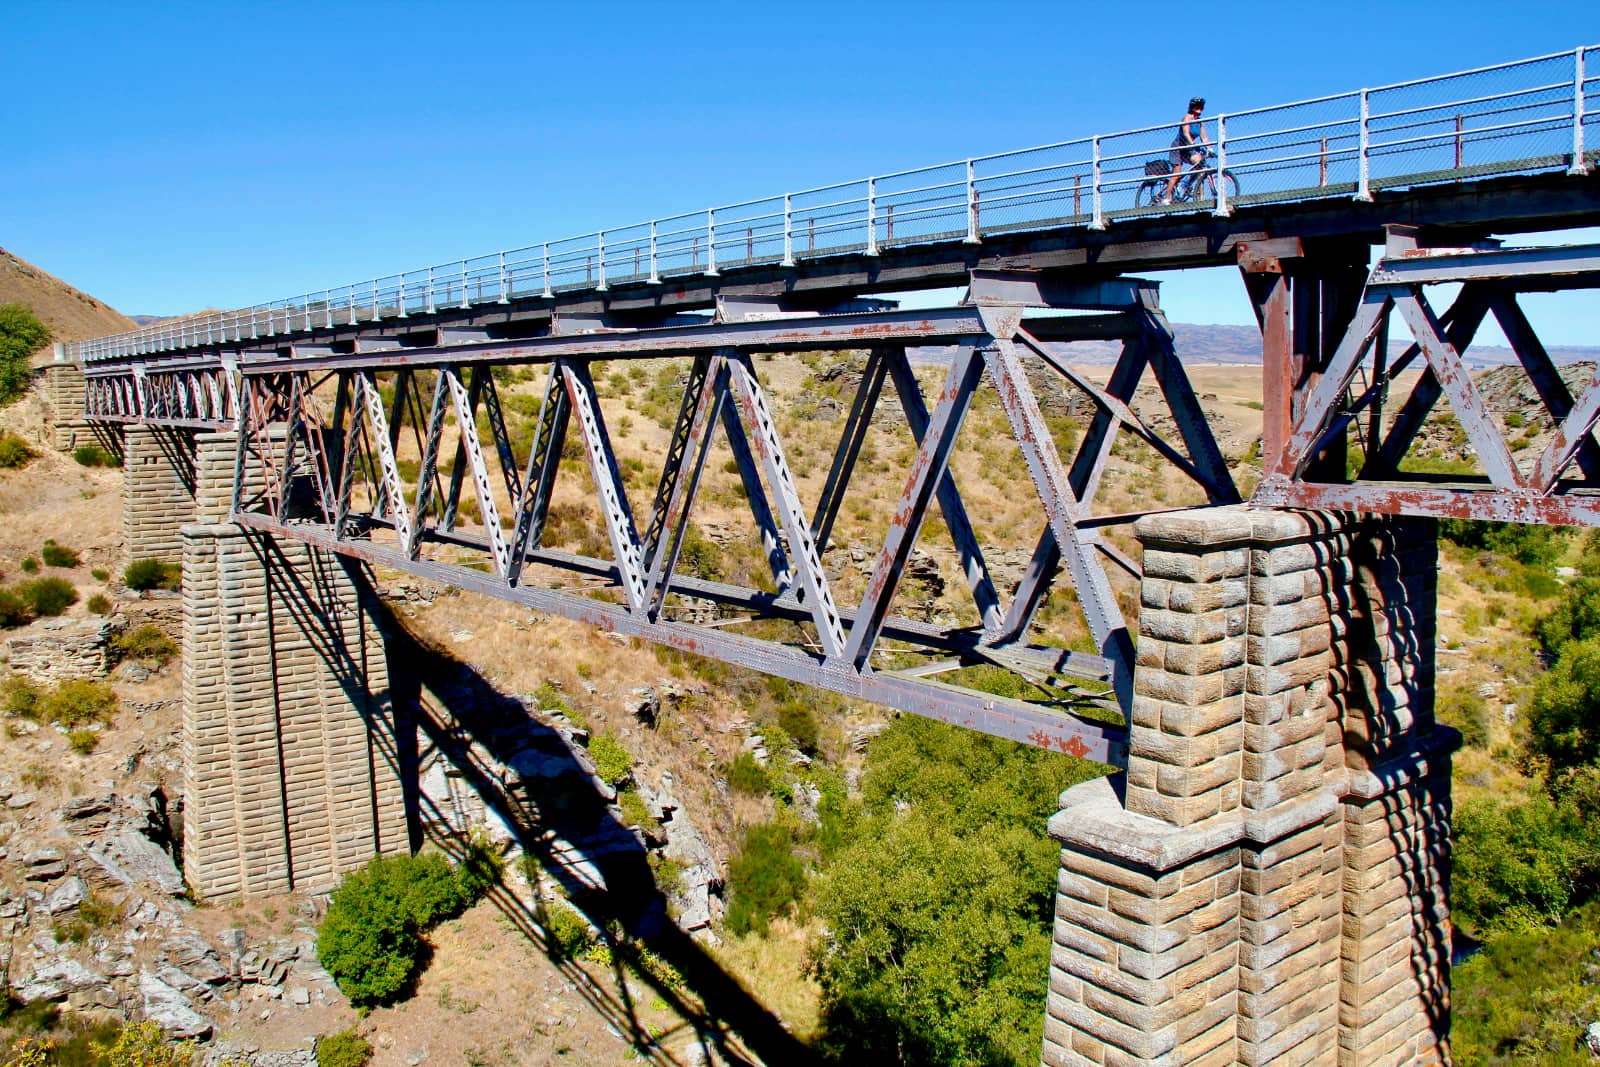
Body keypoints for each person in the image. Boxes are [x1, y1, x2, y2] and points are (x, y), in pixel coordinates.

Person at [1163, 97, 1209, 204]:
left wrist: (1210, 148)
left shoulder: (1200, 122)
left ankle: (1185, 184)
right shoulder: (1187, 117)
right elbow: (1185, 133)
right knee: (1177, 173)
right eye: (1197, 106)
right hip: (1178, 147)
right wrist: (1192, 144)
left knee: (1200, 163)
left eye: (1201, 106)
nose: (1199, 108)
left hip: (1188, 148)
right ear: (1192, 107)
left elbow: (1204, 138)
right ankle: (1166, 198)